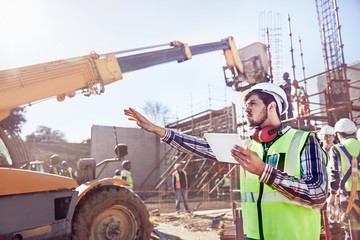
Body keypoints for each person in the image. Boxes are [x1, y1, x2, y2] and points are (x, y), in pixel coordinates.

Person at [124, 82, 327, 240]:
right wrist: (160, 131)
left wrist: (265, 172)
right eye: (245, 105)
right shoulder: (249, 146)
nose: (246, 109)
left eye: (252, 103)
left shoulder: (304, 141)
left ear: (272, 105)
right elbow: (203, 147)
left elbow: (318, 194)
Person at [328, 118, 360, 240]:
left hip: (347, 196)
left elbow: (335, 173)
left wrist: (332, 194)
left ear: (339, 134)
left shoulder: (337, 148)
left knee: (351, 231)